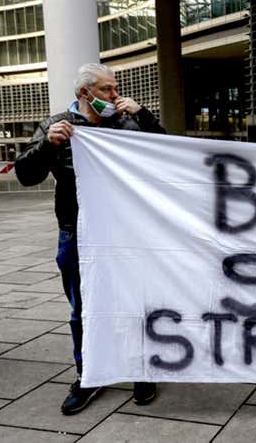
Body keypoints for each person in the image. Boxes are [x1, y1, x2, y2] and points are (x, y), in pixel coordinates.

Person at [15, 63, 165, 415]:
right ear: (85, 94)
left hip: (127, 232)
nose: (115, 95)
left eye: (116, 89)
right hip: (76, 232)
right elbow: (25, 174)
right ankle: (88, 375)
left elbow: (166, 155)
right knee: (82, 309)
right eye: (107, 90)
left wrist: (144, 116)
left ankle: (139, 369)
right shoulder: (56, 126)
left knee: (133, 303)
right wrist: (48, 146)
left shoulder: (127, 123)